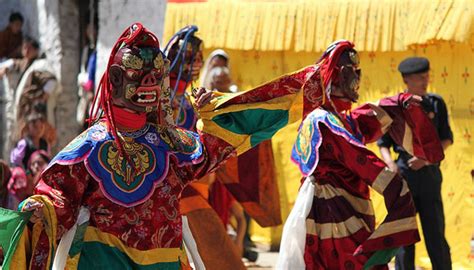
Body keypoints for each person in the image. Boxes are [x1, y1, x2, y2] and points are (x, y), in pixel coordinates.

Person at [11, 23, 287, 269]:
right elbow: (58, 193)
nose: (149, 84)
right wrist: (41, 206)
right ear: (117, 79)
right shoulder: (89, 147)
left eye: (155, 77)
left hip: (162, 259)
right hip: (104, 260)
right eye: (138, 76)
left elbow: (213, 148)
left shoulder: (171, 144)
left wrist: (213, 117)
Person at [377, 57, 453, 270]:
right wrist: (390, 163)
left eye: (427, 76)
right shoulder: (395, 107)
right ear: (406, 80)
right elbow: (383, 143)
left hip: (429, 175)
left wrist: (427, 159)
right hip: (404, 176)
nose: (425, 80)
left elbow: (446, 138)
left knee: (435, 232)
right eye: (420, 77)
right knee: (405, 236)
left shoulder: (436, 103)